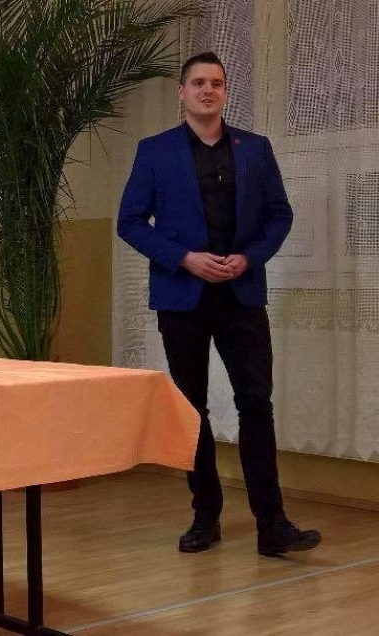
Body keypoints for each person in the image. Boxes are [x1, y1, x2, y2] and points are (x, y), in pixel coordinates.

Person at [117, 52, 321, 557]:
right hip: (181, 298)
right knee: (192, 409)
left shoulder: (256, 149)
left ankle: (272, 525)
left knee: (257, 404)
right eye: (198, 83)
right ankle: (205, 517)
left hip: (241, 296)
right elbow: (130, 222)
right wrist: (184, 258)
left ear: (226, 92)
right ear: (182, 92)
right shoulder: (155, 151)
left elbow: (279, 215)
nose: (208, 90)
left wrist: (249, 258)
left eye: (217, 83)